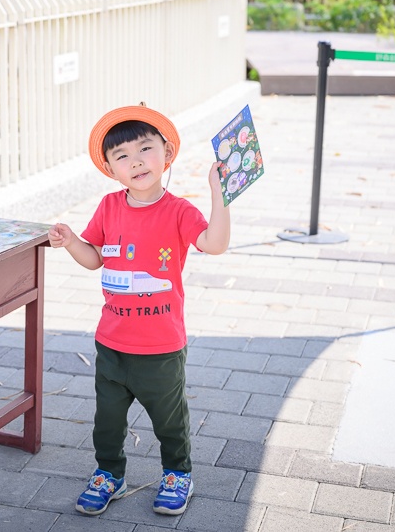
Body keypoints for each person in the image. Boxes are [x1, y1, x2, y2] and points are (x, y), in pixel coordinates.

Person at [48, 103, 231, 516]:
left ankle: (177, 472)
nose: (136, 161)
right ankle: (109, 472)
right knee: (107, 421)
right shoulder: (109, 207)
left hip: (161, 347)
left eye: (145, 148)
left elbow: (214, 244)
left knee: (170, 420)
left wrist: (220, 196)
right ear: (111, 169)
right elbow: (95, 257)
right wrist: (73, 240)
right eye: (122, 156)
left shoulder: (179, 211)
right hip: (110, 343)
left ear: (166, 154)